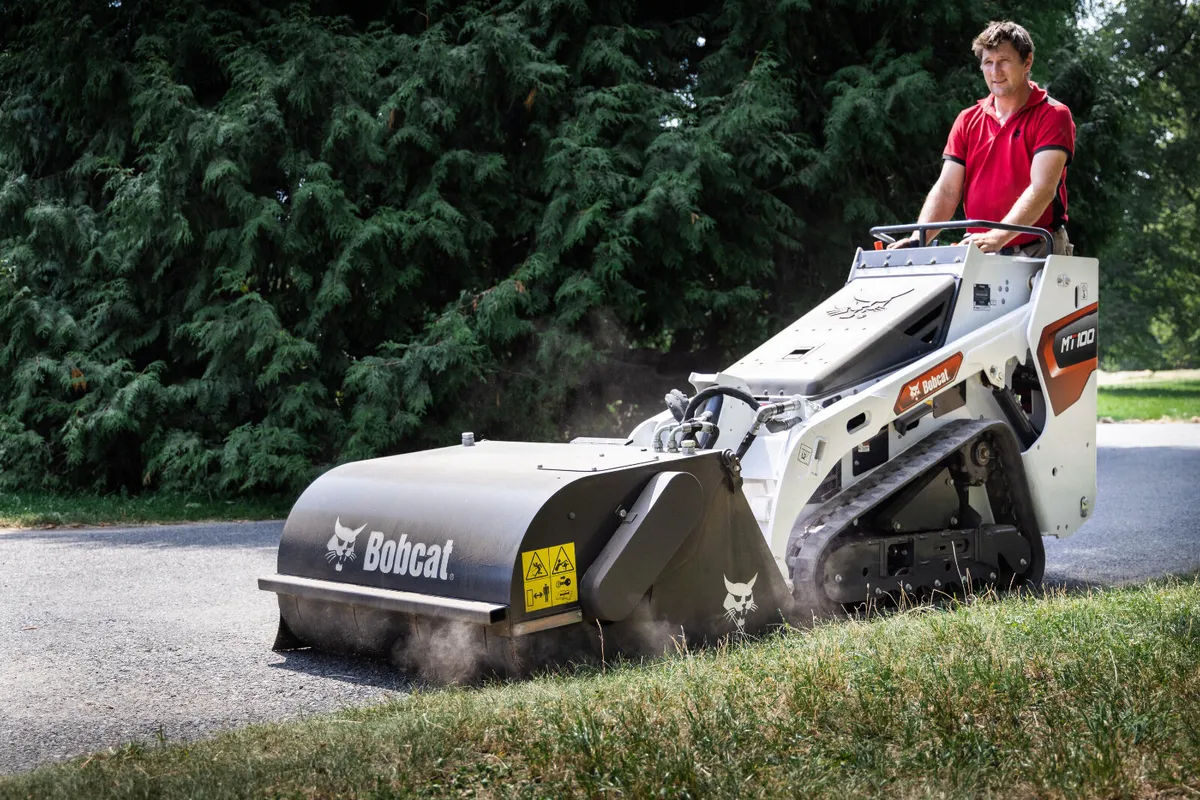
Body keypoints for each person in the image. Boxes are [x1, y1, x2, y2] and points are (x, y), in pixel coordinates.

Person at [889, 21, 1076, 257]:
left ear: (1027, 62)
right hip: (978, 251)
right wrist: (919, 238)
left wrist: (997, 236)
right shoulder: (967, 120)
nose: (995, 71)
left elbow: (1042, 189)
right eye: (988, 62)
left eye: (1004, 61)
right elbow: (947, 190)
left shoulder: (1052, 114)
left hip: (1040, 250)